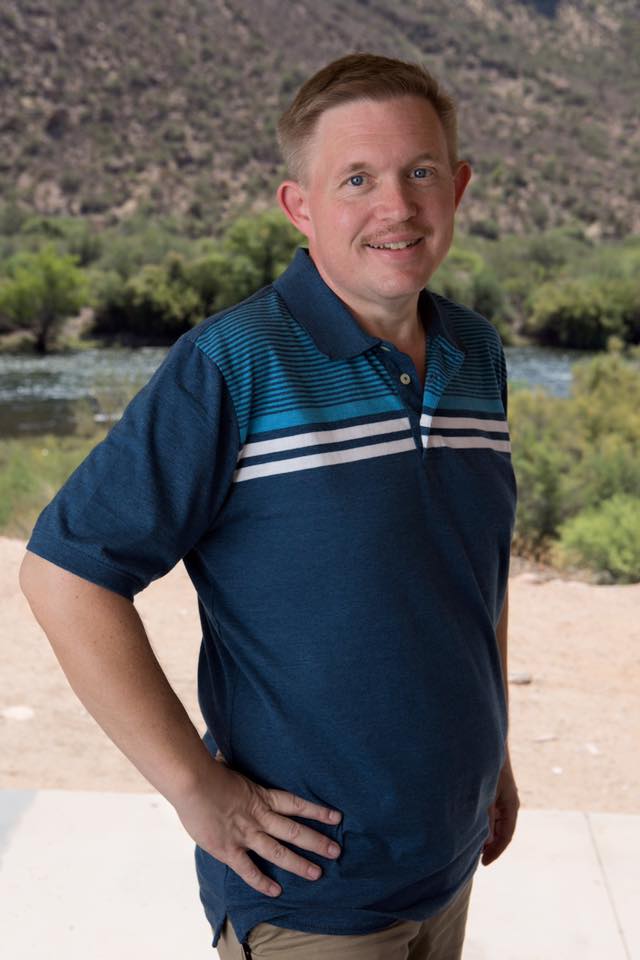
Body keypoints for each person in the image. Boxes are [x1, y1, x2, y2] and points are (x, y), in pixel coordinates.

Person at [20, 52, 519, 960]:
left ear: (459, 185)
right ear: (300, 206)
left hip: (449, 863)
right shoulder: (234, 363)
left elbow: (472, 575)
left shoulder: (478, 355)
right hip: (310, 900)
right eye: (356, 179)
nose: (396, 206)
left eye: (420, 172)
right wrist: (194, 788)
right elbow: (64, 575)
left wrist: (499, 754)